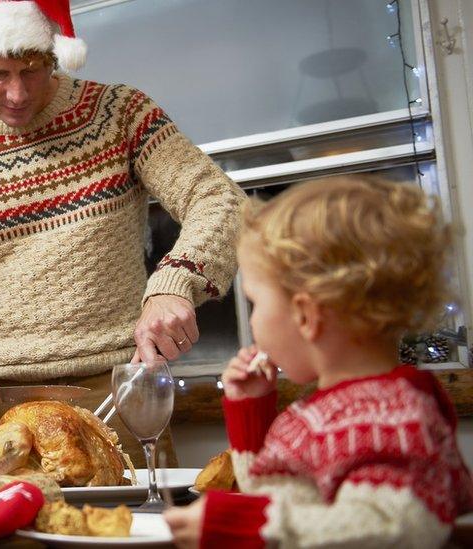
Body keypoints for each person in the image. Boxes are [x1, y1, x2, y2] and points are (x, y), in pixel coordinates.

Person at [0, 0, 244, 465]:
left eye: (32, 70)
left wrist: (175, 284)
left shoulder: (120, 115)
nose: (17, 93)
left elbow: (219, 199)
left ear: (54, 52)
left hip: (118, 393)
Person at [163, 176, 473, 548]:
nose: (253, 321)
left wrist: (244, 525)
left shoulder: (388, 417)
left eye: (256, 303)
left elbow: (392, 526)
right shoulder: (338, 409)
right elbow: (282, 496)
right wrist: (252, 414)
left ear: (306, 316)